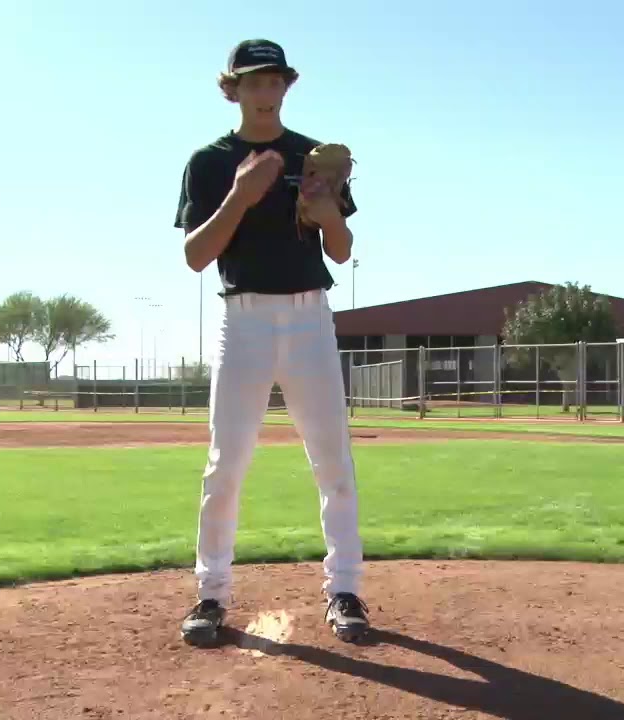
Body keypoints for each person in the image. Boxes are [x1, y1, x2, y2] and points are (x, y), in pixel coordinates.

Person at [173, 38, 369, 647]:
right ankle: (211, 595)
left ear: (288, 85)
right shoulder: (209, 162)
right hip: (245, 319)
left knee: (332, 461)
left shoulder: (312, 157)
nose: (264, 91)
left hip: (310, 316)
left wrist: (325, 209)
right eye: (252, 81)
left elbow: (340, 249)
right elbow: (195, 256)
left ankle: (345, 590)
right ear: (232, 88)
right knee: (225, 465)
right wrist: (241, 194)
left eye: (274, 80)